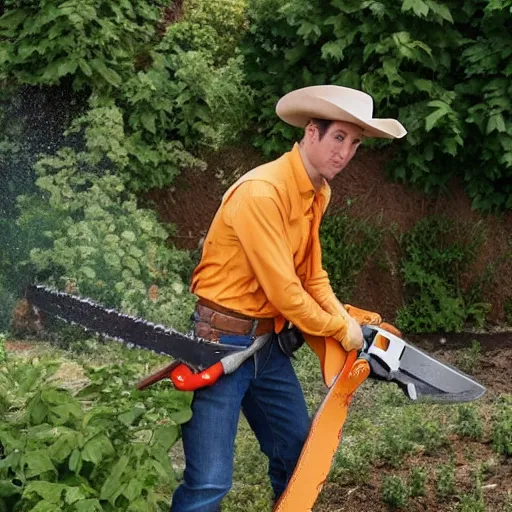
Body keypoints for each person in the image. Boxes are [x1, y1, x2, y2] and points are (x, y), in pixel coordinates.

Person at [170, 85, 406, 511]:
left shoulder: (318, 193)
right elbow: (287, 293)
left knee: (298, 456)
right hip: (221, 344)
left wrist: (344, 320)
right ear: (311, 133)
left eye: (354, 144)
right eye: (338, 138)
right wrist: (339, 328)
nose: (345, 153)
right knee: (209, 483)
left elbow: (312, 275)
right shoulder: (263, 192)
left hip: (266, 347)